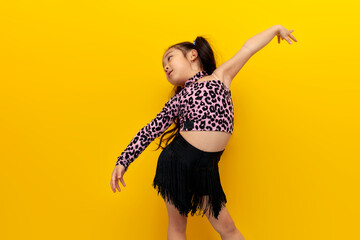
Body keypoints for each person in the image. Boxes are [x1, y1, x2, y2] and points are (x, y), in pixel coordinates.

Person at [110, 25, 297, 240]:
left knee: (227, 227)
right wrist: (123, 160)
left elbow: (248, 48)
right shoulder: (177, 100)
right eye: (163, 66)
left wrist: (275, 29)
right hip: (177, 162)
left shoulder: (220, 77)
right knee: (178, 227)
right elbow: (150, 130)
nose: (165, 67)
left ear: (192, 55)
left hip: (206, 168)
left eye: (169, 58)